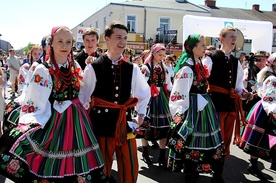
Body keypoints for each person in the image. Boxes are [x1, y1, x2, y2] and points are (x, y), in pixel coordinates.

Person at [0, 26, 105, 183]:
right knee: (51, 154)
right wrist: (31, 122)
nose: (64, 46)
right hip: (54, 117)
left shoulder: (75, 65)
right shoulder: (43, 69)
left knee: (78, 158)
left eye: (68, 42)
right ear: (52, 44)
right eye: (60, 41)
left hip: (78, 118)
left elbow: (83, 92)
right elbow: (33, 100)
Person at [79, 21, 150, 183]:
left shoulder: (132, 68)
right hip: (101, 124)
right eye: (118, 37)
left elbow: (144, 93)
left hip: (124, 122)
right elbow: (83, 97)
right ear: (107, 39)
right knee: (102, 168)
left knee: (130, 166)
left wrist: (140, 114)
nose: (122, 42)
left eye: (125, 38)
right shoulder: (93, 67)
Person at [167, 34, 225, 182]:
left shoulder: (198, 62)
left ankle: (208, 171)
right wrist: (179, 116)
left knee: (209, 138)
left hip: (204, 106)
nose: (205, 48)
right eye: (203, 45)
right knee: (192, 139)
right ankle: (191, 172)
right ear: (193, 48)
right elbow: (178, 94)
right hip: (192, 108)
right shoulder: (187, 69)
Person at [202, 27, 252, 182]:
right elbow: (202, 80)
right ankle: (203, 167)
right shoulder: (210, 57)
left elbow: (237, 86)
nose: (234, 39)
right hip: (214, 104)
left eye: (235, 37)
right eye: (231, 36)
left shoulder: (236, 62)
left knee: (225, 139)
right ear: (221, 38)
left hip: (229, 104)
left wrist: (244, 93)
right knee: (213, 138)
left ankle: (218, 173)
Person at [238, 52, 276, 181]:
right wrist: (274, 112)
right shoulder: (272, 78)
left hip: (268, 108)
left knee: (265, 140)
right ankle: (253, 165)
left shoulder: (271, 75)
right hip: (267, 110)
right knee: (259, 140)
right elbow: (269, 98)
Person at [139, 43, 172, 167]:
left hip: (161, 97)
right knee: (146, 126)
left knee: (164, 127)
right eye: (160, 54)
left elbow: (168, 83)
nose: (162, 57)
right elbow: (141, 84)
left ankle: (163, 155)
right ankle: (145, 151)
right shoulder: (146, 67)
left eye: (163, 55)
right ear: (153, 53)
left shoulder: (164, 67)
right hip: (149, 98)